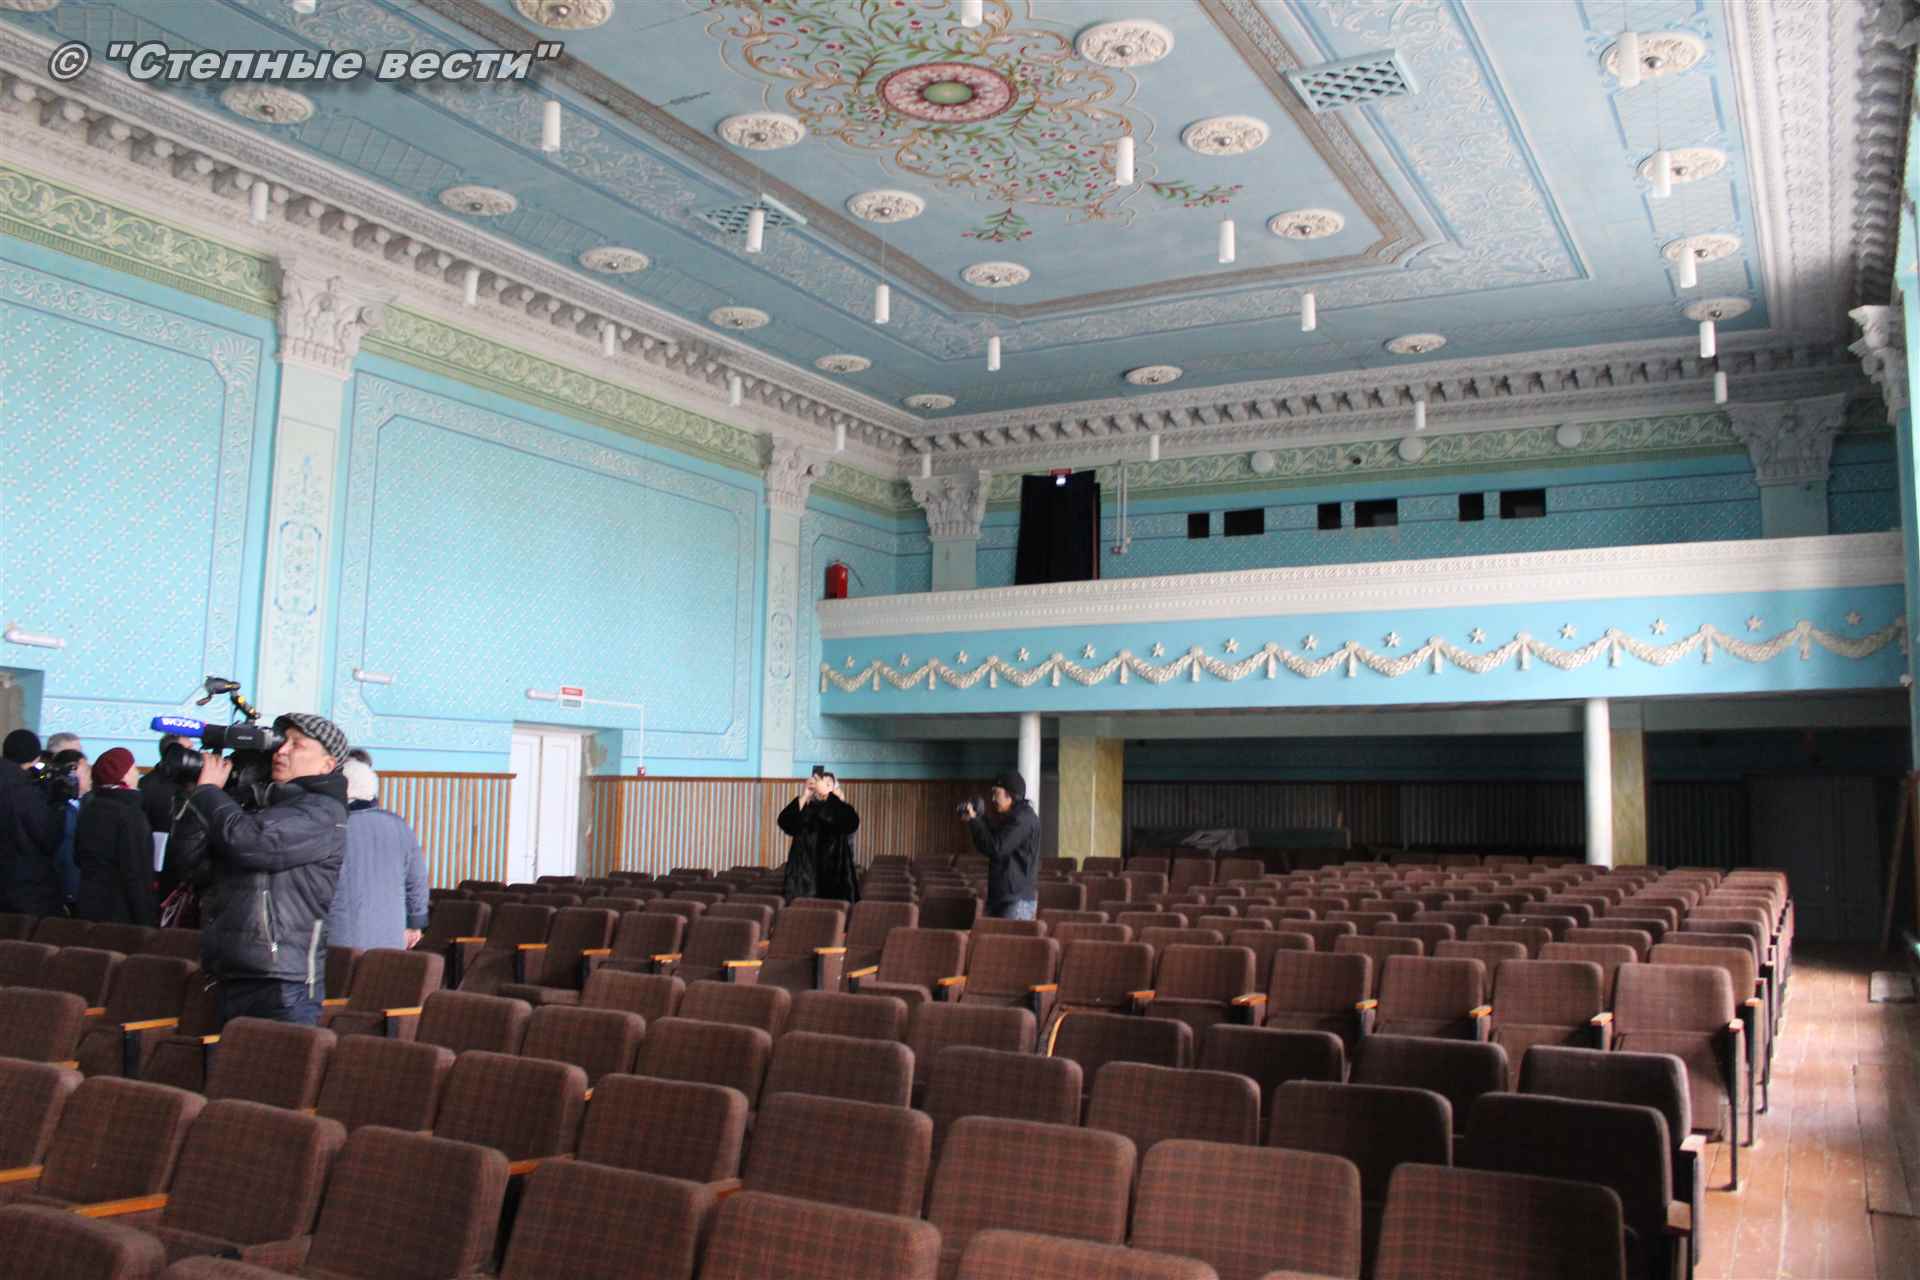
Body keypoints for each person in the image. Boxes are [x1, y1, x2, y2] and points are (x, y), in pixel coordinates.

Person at [179, 712, 348, 1027]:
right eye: (282, 743)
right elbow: (191, 865)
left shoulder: (324, 814)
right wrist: (196, 796)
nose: (281, 751)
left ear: (327, 764)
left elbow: (251, 842)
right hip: (231, 969)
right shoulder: (259, 804)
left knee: (276, 1061)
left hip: (283, 981)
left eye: (297, 745)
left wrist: (210, 794)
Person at [327, 758, 429, 951]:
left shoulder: (329, 826)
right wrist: (415, 923)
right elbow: (417, 880)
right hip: (391, 937)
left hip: (337, 938)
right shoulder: (399, 825)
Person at [73, 748, 156, 925]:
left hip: (88, 903)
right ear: (123, 775)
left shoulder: (89, 809)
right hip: (121, 911)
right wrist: (146, 920)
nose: (137, 772)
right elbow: (135, 871)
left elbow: (78, 857)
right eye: (133, 768)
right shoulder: (130, 814)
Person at [0, 729, 64, 916]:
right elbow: (47, 838)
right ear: (35, 759)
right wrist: (57, 805)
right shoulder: (25, 792)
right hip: (22, 888)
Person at [961, 771, 1040, 920]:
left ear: (1010, 795)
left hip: (1015, 901)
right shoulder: (1014, 817)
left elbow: (996, 848)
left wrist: (975, 822)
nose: (993, 799)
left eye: (996, 793)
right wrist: (978, 818)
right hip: (1003, 897)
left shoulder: (1023, 819)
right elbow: (992, 839)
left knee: (1006, 937)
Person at [777, 766, 860, 902]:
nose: (822, 787)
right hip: (804, 884)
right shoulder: (806, 809)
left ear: (835, 788)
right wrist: (805, 795)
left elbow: (852, 823)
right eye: (820, 783)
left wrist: (830, 797)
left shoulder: (840, 809)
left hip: (835, 885)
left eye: (828, 784)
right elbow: (784, 822)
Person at [50, 748, 88, 911]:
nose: (90, 775)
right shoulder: (61, 811)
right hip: (63, 890)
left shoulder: (88, 804)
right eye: (86, 770)